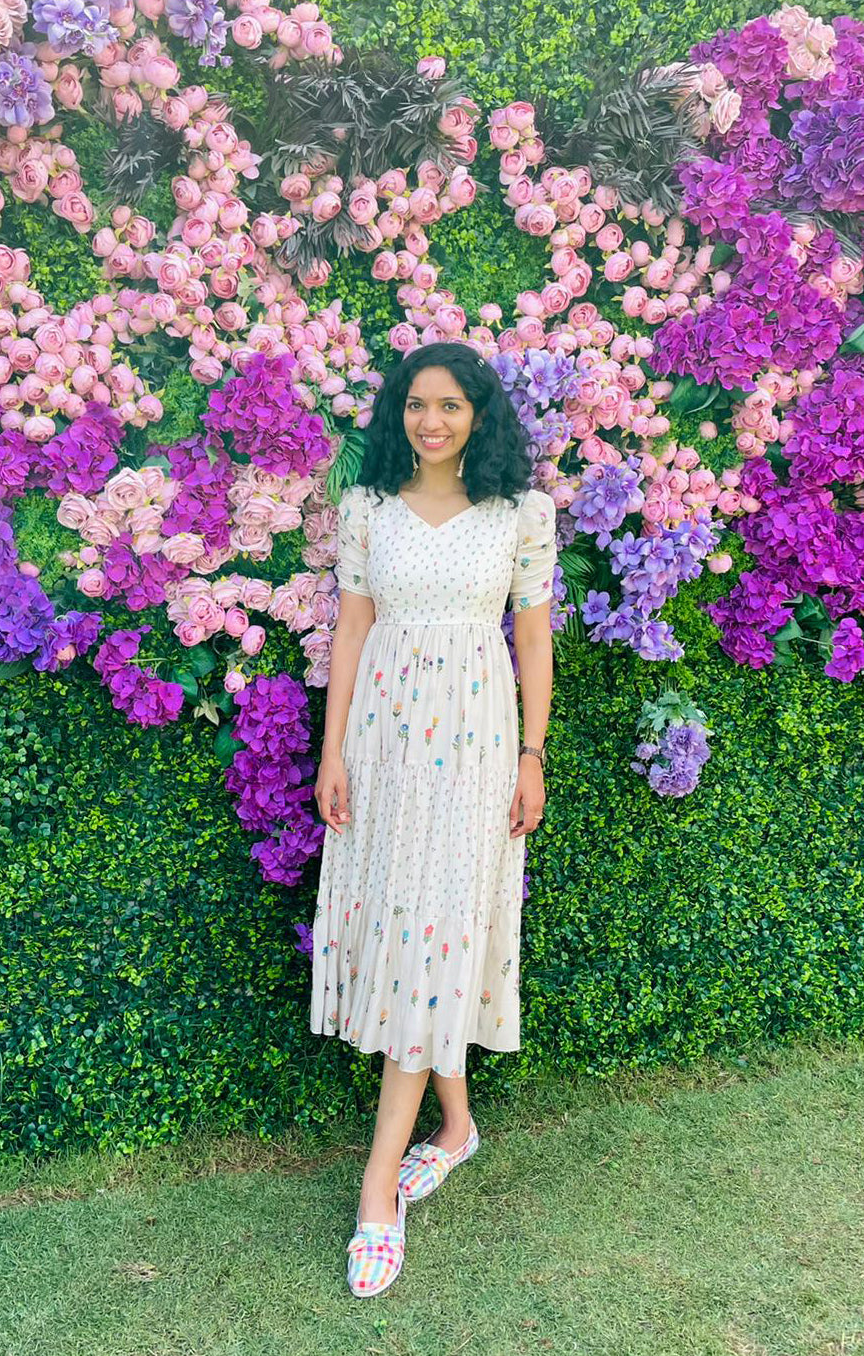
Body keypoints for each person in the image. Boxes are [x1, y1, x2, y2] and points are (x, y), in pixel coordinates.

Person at [311, 340, 558, 1298]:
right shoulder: (368, 509)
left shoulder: (520, 514)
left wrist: (533, 755)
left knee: (439, 931)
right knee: (410, 930)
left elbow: (531, 639)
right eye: (418, 404)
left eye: (451, 404)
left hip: (477, 748)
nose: (432, 420)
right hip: (384, 746)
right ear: (399, 414)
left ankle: (379, 1189)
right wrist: (333, 751)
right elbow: (351, 629)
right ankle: (455, 1128)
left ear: (479, 415)